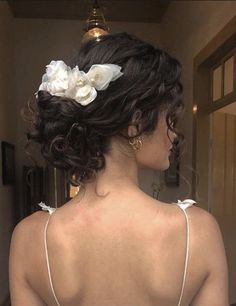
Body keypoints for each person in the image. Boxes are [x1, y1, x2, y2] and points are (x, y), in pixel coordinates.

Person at [9, 32, 229, 306]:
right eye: (170, 117)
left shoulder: (29, 238)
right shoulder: (198, 231)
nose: (174, 134)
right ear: (135, 123)